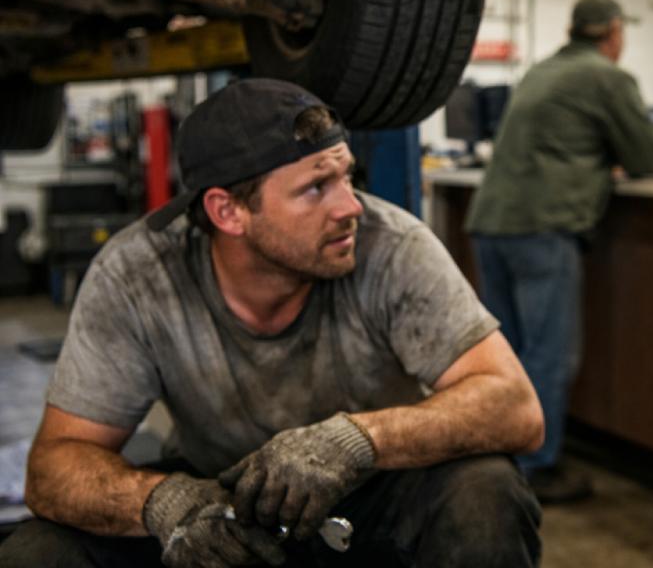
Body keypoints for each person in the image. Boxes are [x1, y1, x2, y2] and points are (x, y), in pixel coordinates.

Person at [0, 78, 544, 568]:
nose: (350, 206)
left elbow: (515, 406)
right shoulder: (138, 275)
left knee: (484, 493)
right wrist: (163, 504)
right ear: (227, 212)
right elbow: (52, 468)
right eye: (316, 188)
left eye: (346, 176)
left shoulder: (391, 246)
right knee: (39, 553)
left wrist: (355, 440)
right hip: (217, 512)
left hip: (368, 500)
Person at [466, 0, 653, 503]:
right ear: (614, 33)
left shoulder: (541, 70)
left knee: (508, 354)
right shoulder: (607, 76)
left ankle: (501, 459)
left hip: (491, 223)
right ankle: (537, 467)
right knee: (550, 356)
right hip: (542, 227)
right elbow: (646, 157)